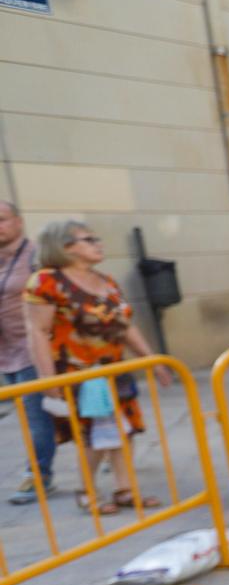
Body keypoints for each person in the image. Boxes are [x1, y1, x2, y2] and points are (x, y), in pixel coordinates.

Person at [23, 219, 169, 513]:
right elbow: (37, 331)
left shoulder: (106, 281)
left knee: (125, 431)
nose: (98, 243)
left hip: (114, 369)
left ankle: (124, 489)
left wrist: (151, 359)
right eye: (89, 239)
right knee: (93, 435)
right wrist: (48, 379)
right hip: (78, 373)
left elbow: (125, 325)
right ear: (65, 247)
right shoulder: (46, 281)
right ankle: (87, 491)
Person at [0, 200, 57, 504]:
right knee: (36, 417)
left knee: (37, 418)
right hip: (6, 352)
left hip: (34, 350)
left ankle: (38, 476)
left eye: (2, 219)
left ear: (19, 222)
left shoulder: (36, 256)